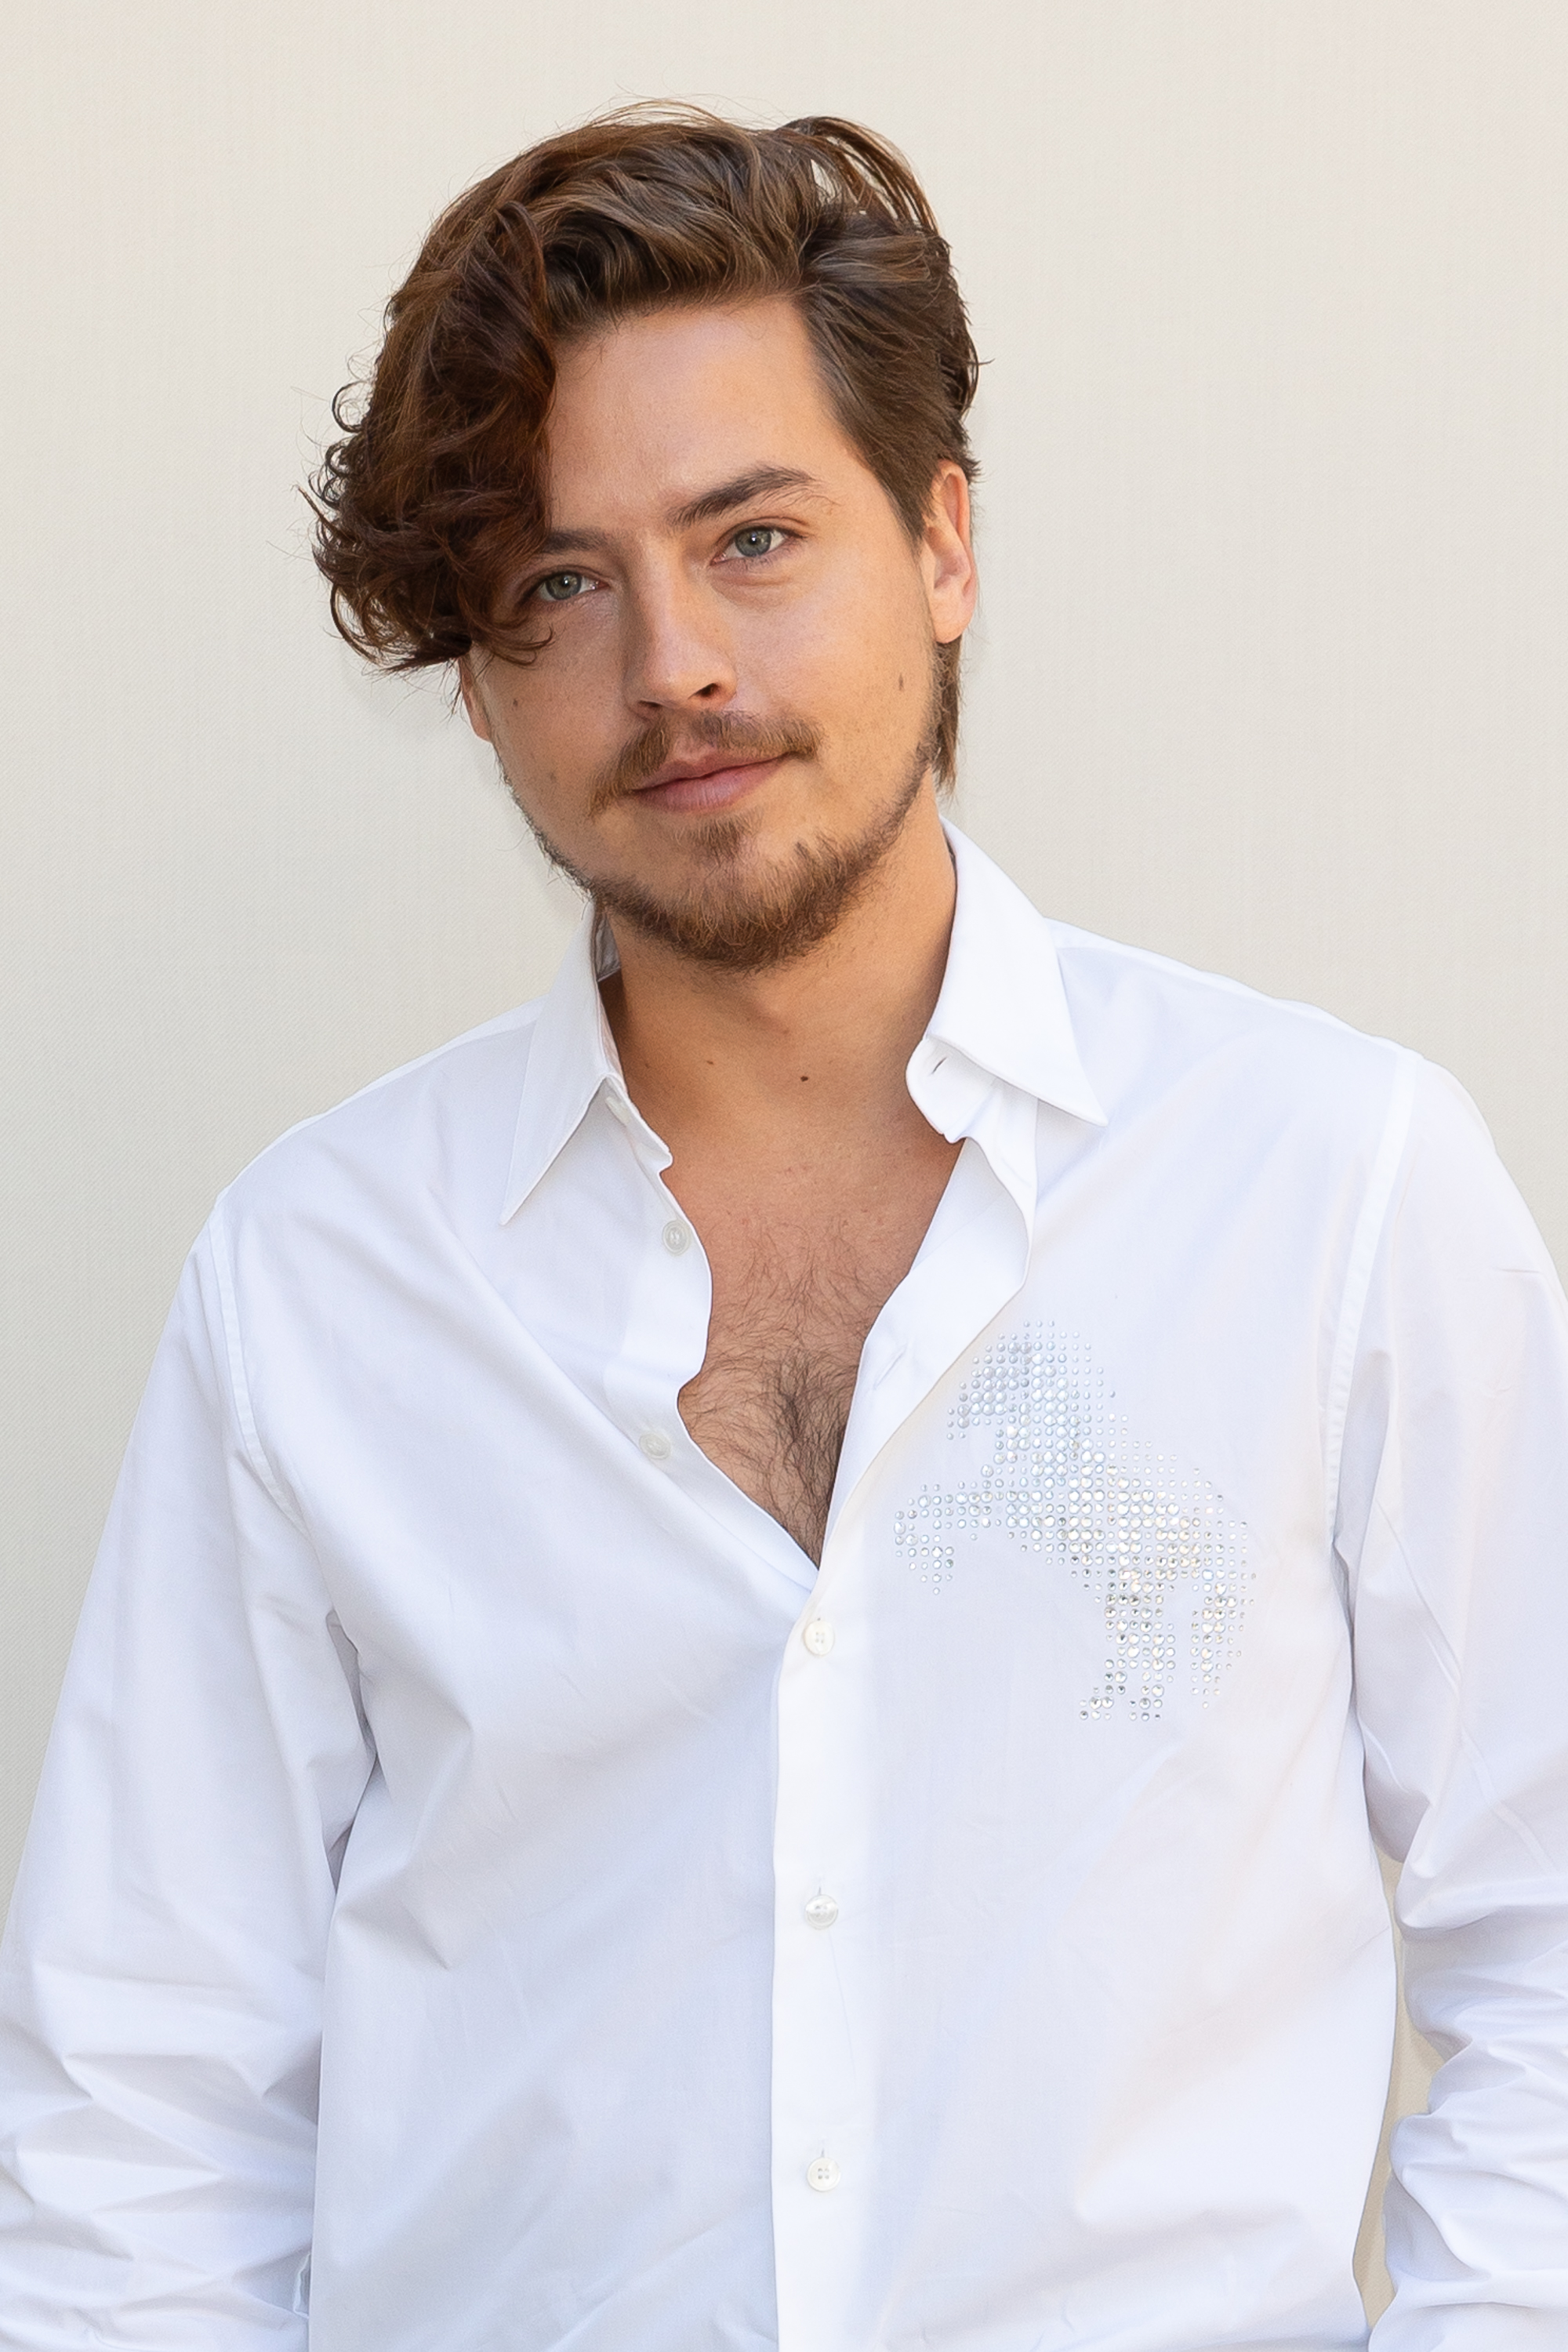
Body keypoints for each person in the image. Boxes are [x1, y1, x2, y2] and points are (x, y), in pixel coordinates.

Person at [1, 102, 1565, 2352]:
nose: (673, 669)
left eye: (752, 537)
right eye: (560, 585)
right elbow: (141, 2118)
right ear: (477, 674)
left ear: (941, 541)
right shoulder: (317, 1286)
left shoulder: (1327, 1190)